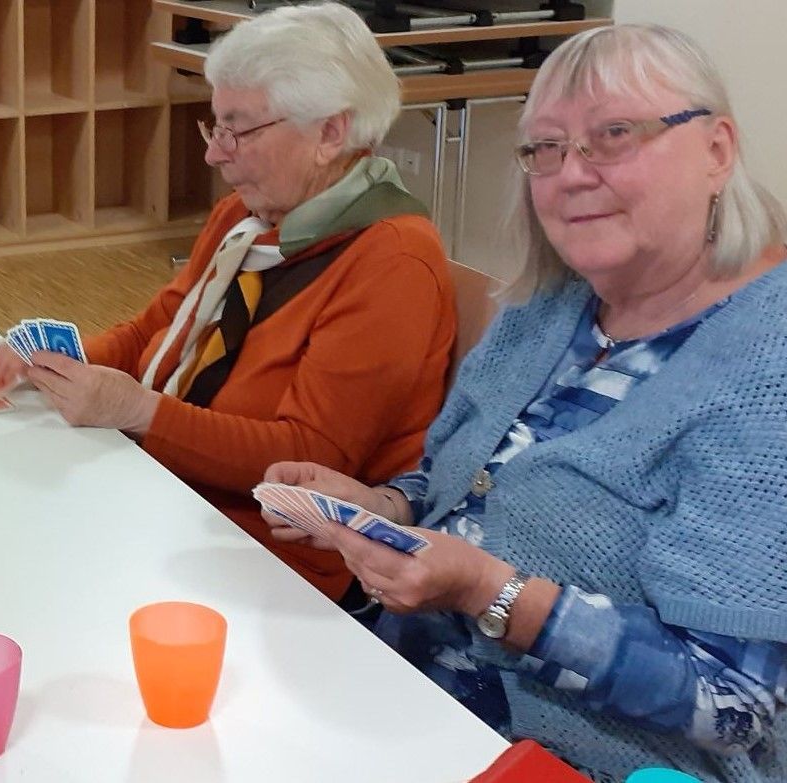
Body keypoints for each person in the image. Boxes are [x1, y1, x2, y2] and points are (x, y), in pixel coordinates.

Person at [265, 24, 787, 782]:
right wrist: (381, 506)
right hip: (402, 695)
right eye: (545, 148)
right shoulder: (548, 307)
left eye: (614, 135)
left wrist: (490, 592)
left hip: (579, 759)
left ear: (717, 150)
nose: (571, 174)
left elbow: (733, 704)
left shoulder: (765, 373)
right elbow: (457, 488)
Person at [0, 2, 454, 601]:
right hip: (169, 492)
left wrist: (141, 412)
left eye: (239, 131)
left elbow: (306, 464)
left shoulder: (393, 263)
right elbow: (155, 332)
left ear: (330, 133)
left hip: (273, 559)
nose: (214, 153)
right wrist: (58, 363)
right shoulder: (244, 219)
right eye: (216, 127)